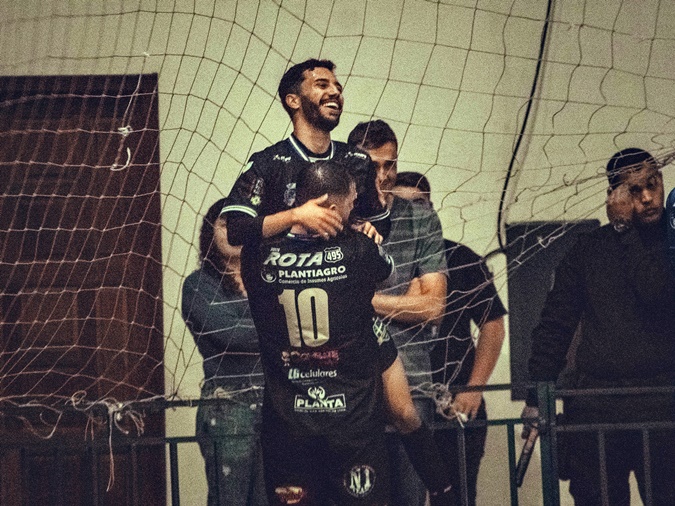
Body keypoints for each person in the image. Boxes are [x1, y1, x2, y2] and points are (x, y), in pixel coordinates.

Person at [241, 161, 456, 505]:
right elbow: (385, 272)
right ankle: (443, 488)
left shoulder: (257, 257)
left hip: (289, 431)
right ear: (329, 209)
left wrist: (292, 218)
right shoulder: (358, 250)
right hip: (351, 429)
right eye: (351, 204)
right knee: (403, 410)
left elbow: (240, 231)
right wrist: (360, 235)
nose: (355, 211)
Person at [523, 148, 675, 505]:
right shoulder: (588, 249)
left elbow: (660, 297)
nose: (648, 197)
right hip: (598, 405)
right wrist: (536, 397)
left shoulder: (671, 241)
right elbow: (555, 324)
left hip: (663, 402)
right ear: (614, 195)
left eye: (652, 184)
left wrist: (624, 231)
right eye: (634, 190)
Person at [347, 120, 448, 506]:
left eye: (390, 164)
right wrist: (405, 300)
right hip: (352, 383)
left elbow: (433, 307)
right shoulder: (338, 220)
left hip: (414, 378)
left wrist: (359, 299)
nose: (383, 175)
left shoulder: (420, 217)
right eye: (373, 166)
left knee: (410, 497)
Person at [393, 171, 507, 506]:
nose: (411, 213)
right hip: (398, 404)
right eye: (401, 205)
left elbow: (493, 325)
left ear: (431, 207)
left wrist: (474, 389)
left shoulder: (461, 258)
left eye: (418, 204)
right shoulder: (379, 261)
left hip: (452, 403)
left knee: (456, 498)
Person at [222, 58, 387, 247]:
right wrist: (296, 216)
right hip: (282, 265)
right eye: (322, 85)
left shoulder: (358, 160)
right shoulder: (267, 162)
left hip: (340, 264)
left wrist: (365, 228)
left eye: (338, 88)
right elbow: (236, 230)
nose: (335, 92)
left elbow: (381, 224)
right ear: (294, 101)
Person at [181, 198, 267, 506]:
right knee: (230, 500)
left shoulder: (269, 278)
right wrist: (277, 328)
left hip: (276, 403)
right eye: (223, 222)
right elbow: (231, 335)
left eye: (240, 222)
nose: (232, 229)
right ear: (210, 231)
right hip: (229, 407)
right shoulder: (198, 284)